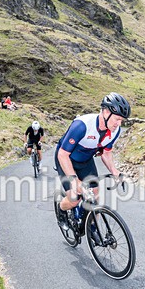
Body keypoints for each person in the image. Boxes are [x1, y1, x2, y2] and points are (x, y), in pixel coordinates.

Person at [55, 92, 131, 229]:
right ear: (106, 112)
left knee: (95, 194)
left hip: (85, 161)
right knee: (74, 198)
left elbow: (106, 153)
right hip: (66, 159)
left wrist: (114, 171)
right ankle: (61, 209)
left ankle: (91, 228)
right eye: (117, 119)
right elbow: (62, 154)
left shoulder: (115, 131)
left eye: (122, 120)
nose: (119, 124)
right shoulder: (82, 125)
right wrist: (74, 179)